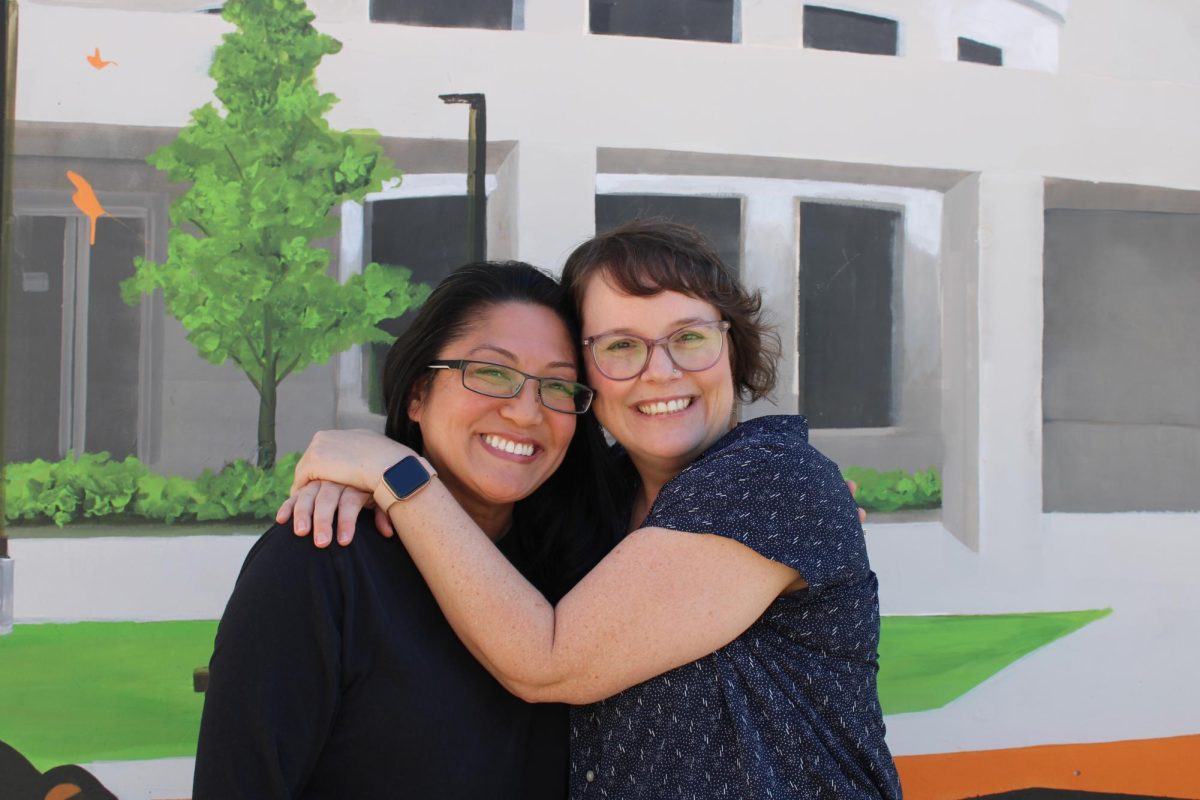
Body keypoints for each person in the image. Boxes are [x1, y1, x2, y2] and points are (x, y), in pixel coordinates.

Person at [285, 220, 902, 799]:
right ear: (586, 376)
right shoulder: (587, 502)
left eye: (689, 337)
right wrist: (360, 488)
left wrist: (391, 472)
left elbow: (547, 665)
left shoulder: (771, 479)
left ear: (734, 350)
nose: (659, 372)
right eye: (620, 347)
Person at [192, 262, 623, 799]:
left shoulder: (583, 574)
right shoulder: (323, 557)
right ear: (418, 393)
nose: (525, 411)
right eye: (490, 372)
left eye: (557, 386)